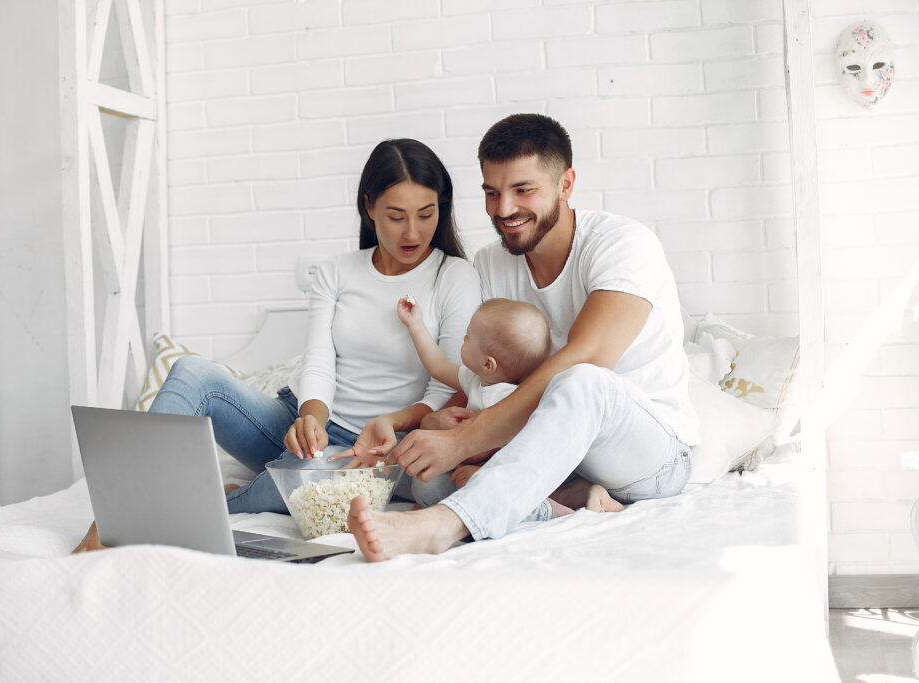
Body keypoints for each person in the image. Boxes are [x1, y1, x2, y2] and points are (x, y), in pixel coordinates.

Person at [73, 138, 481, 553]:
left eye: (425, 215)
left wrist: (392, 423)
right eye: (396, 216)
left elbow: (447, 384)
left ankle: (213, 502)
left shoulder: (454, 276)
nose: (412, 232)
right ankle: (112, 520)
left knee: (308, 477)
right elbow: (319, 362)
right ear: (369, 207)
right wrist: (311, 418)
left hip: (382, 448)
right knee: (192, 373)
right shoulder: (337, 272)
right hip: (308, 426)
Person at [348, 113, 701, 561]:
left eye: (523, 190)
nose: (504, 209)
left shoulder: (623, 244)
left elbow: (588, 357)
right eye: (492, 193)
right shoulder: (492, 263)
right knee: (431, 476)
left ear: (566, 184)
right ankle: (571, 499)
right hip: (553, 455)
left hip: (649, 457)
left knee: (582, 379)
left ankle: (445, 526)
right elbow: (485, 375)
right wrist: (434, 425)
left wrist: (465, 440)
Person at [398, 296, 620, 516]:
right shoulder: (476, 380)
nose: (463, 340)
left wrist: (480, 472)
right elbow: (438, 365)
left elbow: (520, 453)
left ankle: (549, 511)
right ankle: (585, 493)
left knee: (441, 488)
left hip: (511, 471)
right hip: (480, 466)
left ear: (487, 363)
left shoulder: (507, 399)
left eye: (467, 338)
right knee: (428, 483)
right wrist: (416, 325)